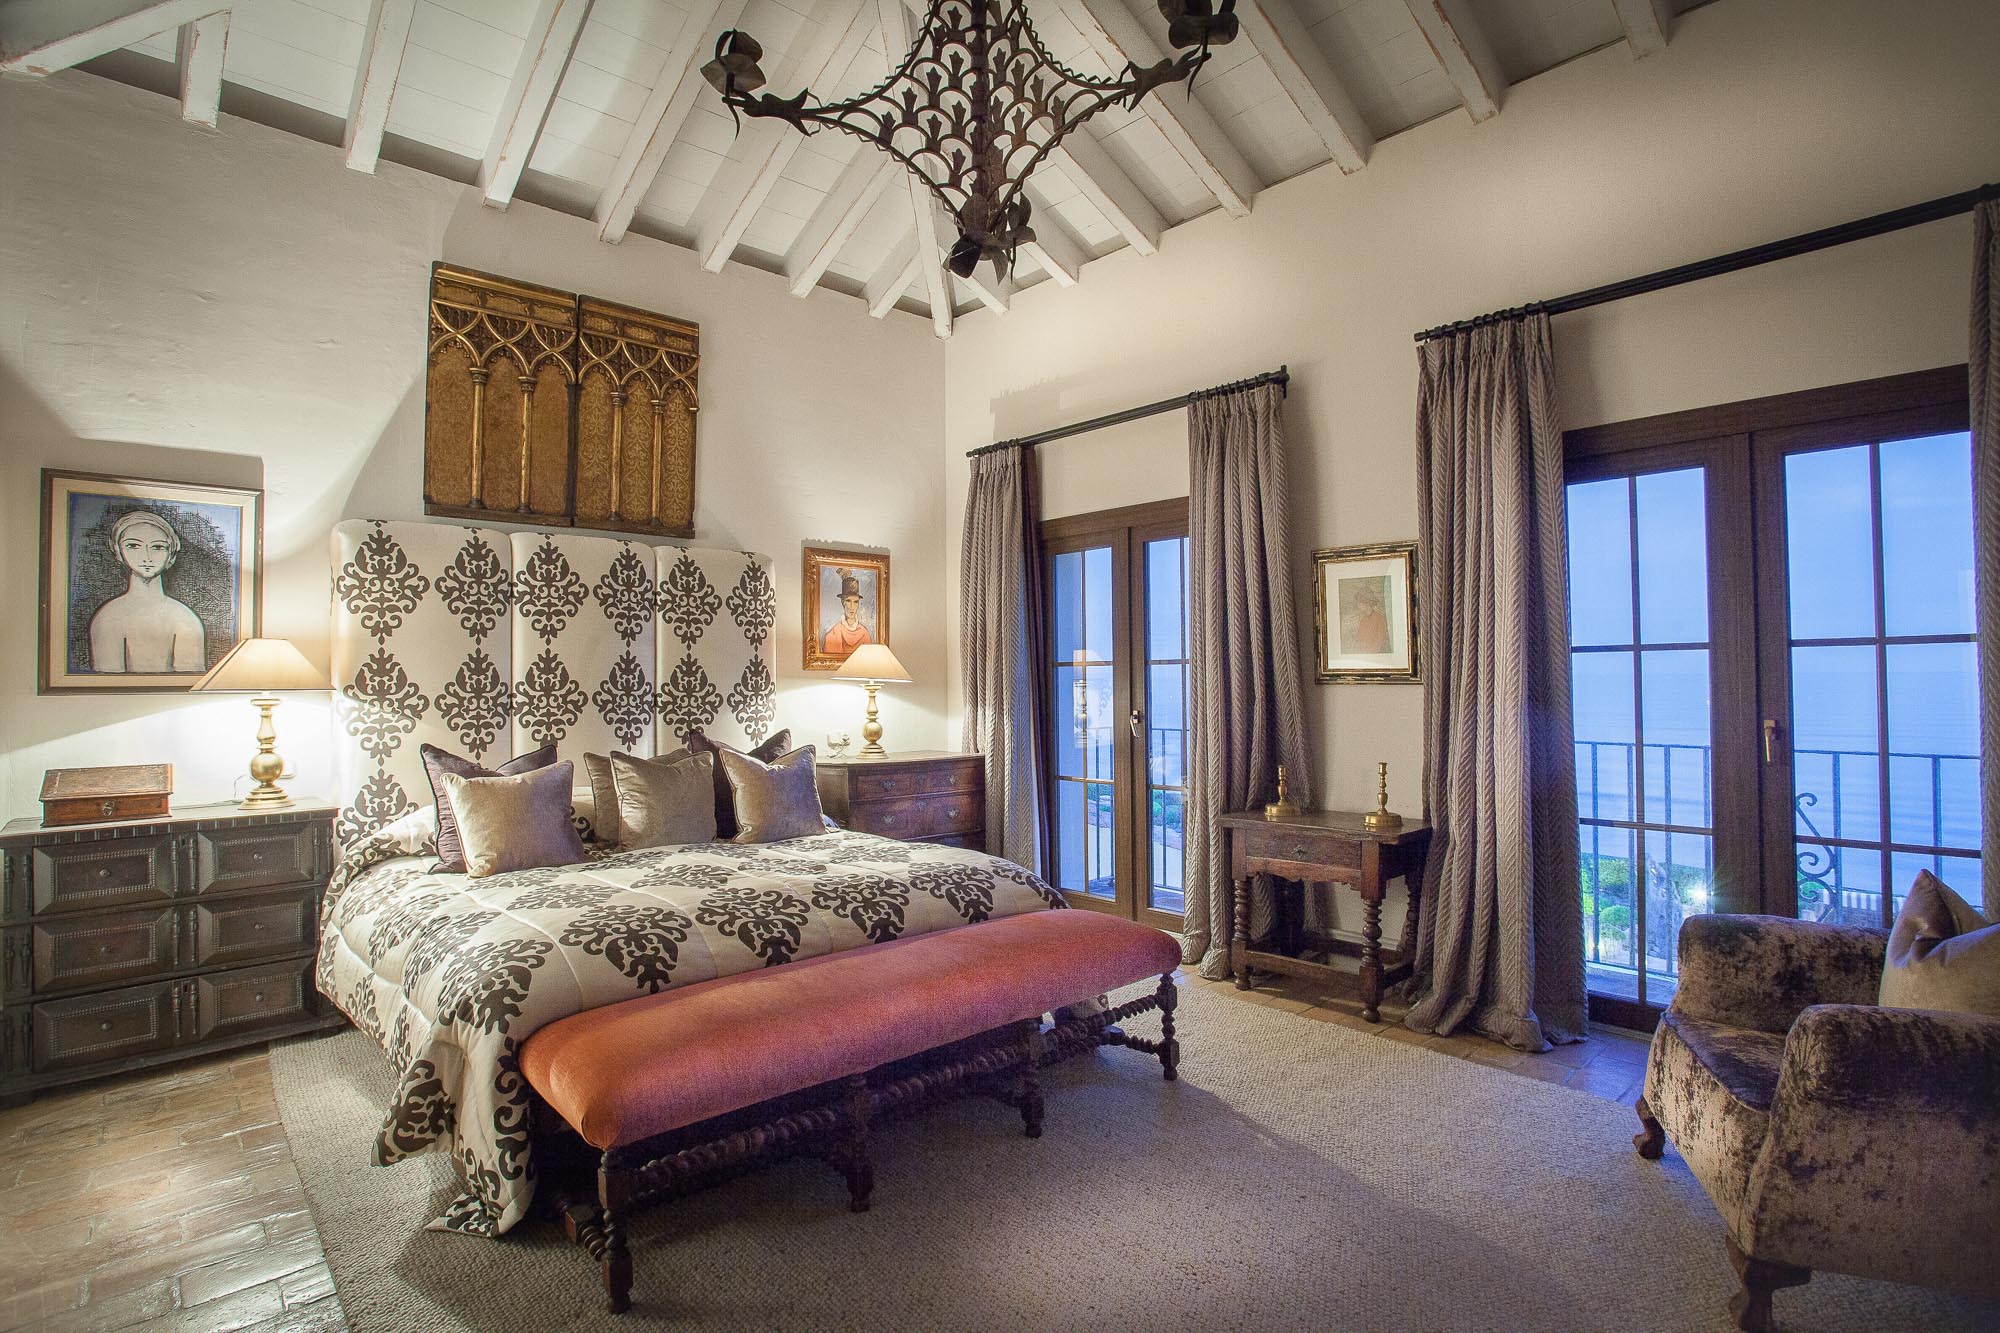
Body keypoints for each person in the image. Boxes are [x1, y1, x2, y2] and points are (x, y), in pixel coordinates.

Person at [89, 510, 206, 673]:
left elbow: (189, 679)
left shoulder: (185, 619)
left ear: (171, 556)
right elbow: (107, 682)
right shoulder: (108, 617)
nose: (147, 557)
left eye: (157, 547)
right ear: (118, 552)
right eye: (133, 546)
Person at [821, 569, 873, 657]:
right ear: (842, 602)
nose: (852, 606)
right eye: (848, 601)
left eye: (855, 602)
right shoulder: (832, 634)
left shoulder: (865, 633)